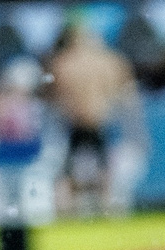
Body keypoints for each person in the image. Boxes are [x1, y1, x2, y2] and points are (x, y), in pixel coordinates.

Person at [47, 21, 144, 215]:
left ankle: (66, 215)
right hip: (100, 122)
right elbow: (128, 96)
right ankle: (106, 213)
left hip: (75, 125)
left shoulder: (63, 63)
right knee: (103, 174)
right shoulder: (111, 61)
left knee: (67, 176)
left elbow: (53, 98)